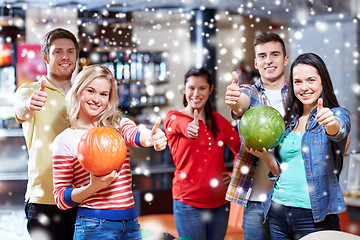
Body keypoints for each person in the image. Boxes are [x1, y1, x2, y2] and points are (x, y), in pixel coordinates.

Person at [52, 64, 167, 240]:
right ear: (78, 91)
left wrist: (152, 138)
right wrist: (93, 187)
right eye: (90, 91)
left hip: (130, 223)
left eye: (103, 94)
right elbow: (61, 198)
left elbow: (137, 135)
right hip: (93, 226)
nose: (96, 99)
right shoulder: (65, 140)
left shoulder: (118, 125)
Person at [249, 52, 351, 239]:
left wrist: (330, 123)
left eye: (311, 80)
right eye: (298, 82)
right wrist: (267, 158)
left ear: (323, 82)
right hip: (278, 211)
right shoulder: (289, 123)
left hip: (315, 216)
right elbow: (283, 171)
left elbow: (339, 131)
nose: (304, 87)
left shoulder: (335, 114)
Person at [14, 28, 79, 240]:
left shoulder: (84, 93)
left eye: (70, 51)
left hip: (83, 196)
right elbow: (21, 109)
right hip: (44, 199)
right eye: (58, 51)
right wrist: (30, 105)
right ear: (45, 57)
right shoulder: (30, 91)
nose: (65, 57)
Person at [225, 32, 289, 240]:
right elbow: (241, 104)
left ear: (285, 59)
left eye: (274, 54)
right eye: (262, 56)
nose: (268, 60)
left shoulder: (298, 95)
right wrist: (235, 102)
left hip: (289, 199)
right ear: (256, 62)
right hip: (254, 201)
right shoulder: (249, 92)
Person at [164, 67, 240, 240]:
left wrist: (235, 176)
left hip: (220, 203)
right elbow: (181, 124)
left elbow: (240, 149)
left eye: (202, 88)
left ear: (210, 89)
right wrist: (189, 127)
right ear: (184, 89)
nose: (196, 93)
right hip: (188, 203)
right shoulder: (173, 117)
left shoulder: (219, 121)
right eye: (191, 88)